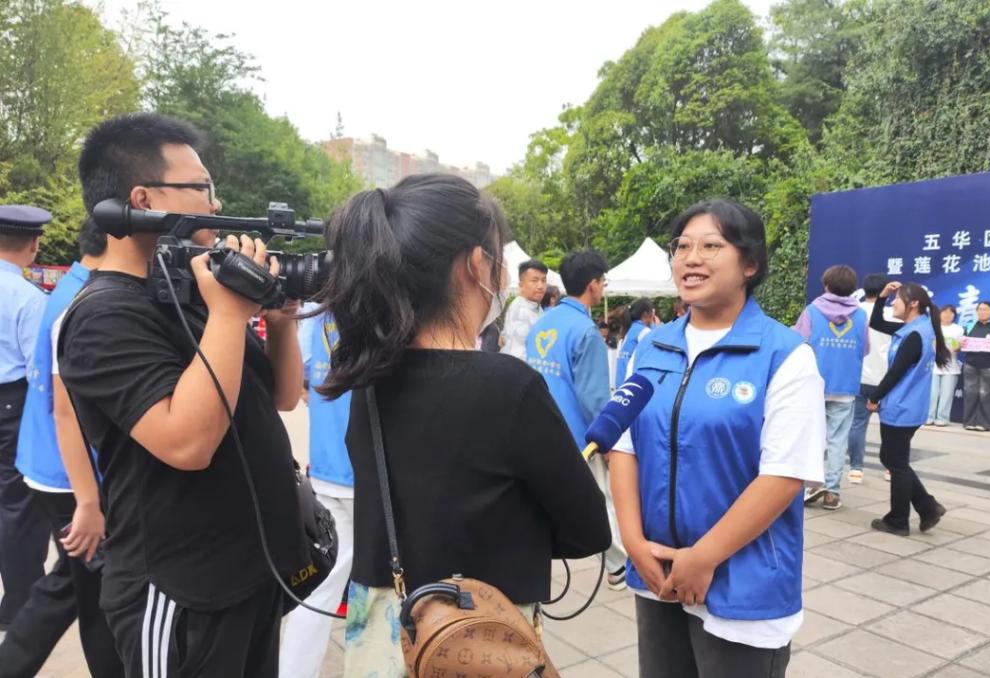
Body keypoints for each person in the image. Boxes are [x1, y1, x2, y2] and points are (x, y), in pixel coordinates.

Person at [314, 174, 609, 674]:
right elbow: (587, 529)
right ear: (477, 264)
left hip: (383, 639)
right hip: (481, 641)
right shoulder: (507, 385)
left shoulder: (369, 379)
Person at [58, 113, 306, 677]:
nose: (216, 206)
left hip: (250, 574)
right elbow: (188, 443)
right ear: (143, 199)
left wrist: (281, 323)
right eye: (202, 189)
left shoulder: (194, 290)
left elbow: (282, 399)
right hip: (179, 592)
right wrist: (228, 310)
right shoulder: (102, 317)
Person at [609, 199, 825, 677]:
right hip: (657, 570)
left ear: (750, 264)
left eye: (711, 245)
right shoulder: (652, 347)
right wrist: (632, 542)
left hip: (743, 586)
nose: (690, 257)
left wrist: (703, 558)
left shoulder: (784, 356)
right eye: (681, 246)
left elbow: (784, 474)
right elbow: (624, 445)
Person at [0, 219, 122, 677]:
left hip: (52, 465)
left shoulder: (73, 285)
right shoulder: (81, 298)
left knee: (69, 586)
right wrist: (89, 500)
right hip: (69, 475)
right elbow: (66, 408)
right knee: (98, 596)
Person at [527, 250, 629, 590]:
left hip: (539, 431)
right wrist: (608, 442)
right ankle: (618, 567)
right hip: (578, 439)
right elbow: (595, 398)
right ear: (593, 284)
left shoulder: (543, 324)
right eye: (603, 281)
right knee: (600, 501)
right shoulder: (586, 332)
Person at [279, 309, 355, 678]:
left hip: (327, 465)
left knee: (318, 592)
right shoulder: (390, 294)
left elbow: (301, 377)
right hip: (372, 474)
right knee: (382, 592)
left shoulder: (321, 313)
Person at [0, 205, 51, 642]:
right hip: (11, 404)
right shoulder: (28, 298)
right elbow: (38, 368)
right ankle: (18, 601)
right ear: (33, 245)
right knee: (17, 505)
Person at [866, 282, 950, 536]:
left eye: (897, 300)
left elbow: (896, 372)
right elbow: (877, 324)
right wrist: (882, 297)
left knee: (897, 463)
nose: (894, 304)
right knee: (891, 458)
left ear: (913, 303)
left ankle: (899, 520)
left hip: (901, 407)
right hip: (908, 406)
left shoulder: (915, 335)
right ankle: (927, 507)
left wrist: (875, 396)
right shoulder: (916, 329)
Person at [795, 265, 868, 511]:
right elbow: (865, 348)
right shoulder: (860, 315)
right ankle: (832, 491)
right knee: (838, 439)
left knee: (812, 436)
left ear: (826, 285)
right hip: (846, 385)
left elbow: (798, 343)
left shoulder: (812, 311)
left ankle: (811, 485)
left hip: (814, 383)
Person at [847, 273, 891, 484]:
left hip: (859, 375)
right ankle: (891, 468)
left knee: (857, 423)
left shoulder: (853, 311)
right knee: (889, 425)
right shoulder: (892, 314)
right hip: (887, 376)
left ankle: (856, 469)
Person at [960, 301, 990, 431]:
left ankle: (985, 424)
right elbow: (962, 341)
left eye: (986, 309)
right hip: (970, 364)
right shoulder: (970, 326)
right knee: (969, 393)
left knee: (987, 394)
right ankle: (969, 422)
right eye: (980, 309)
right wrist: (962, 343)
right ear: (976, 311)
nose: (983, 312)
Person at [501, 259, 548, 360]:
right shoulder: (520, 310)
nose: (540, 286)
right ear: (521, 285)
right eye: (534, 281)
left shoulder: (534, 307)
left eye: (543, 280)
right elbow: (518, 356)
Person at [928, 305, 964, 428]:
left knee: (946, 394)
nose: (947, 315)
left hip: (951, 366)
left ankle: (942, 418)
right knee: (932, 394)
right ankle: (928, 416)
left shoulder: (959, 329)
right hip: (933, 366)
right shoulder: (932, 327)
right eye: (944, 312)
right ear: (939, 314)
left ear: (954, 315)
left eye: (951, 313)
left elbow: (961, 346)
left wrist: (958, 347)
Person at [616, 297, 656, 387]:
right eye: (653, 312)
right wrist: (655, 326)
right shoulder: (644, 331)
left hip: (620, 381)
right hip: (632, 383)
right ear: (646, 314)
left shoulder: (628, 329)